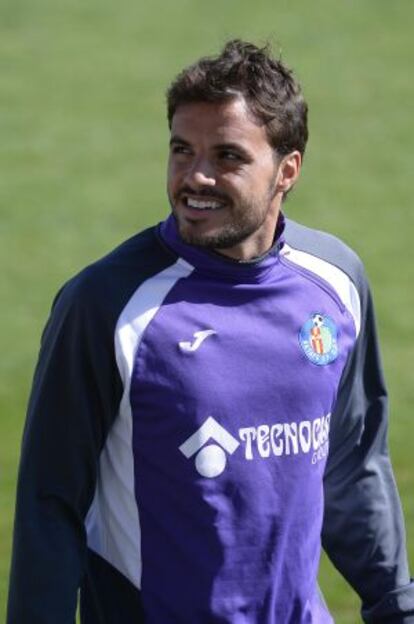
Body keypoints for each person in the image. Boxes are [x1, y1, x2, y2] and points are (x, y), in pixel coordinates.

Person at [7, 39, 414, 624]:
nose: (195, 177)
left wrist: (396, 604)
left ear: (287, 170)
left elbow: (351, 461)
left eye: (227, 156)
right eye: (181, 149)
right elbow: (50, 505)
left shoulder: (336, 282)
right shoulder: (106, 305)